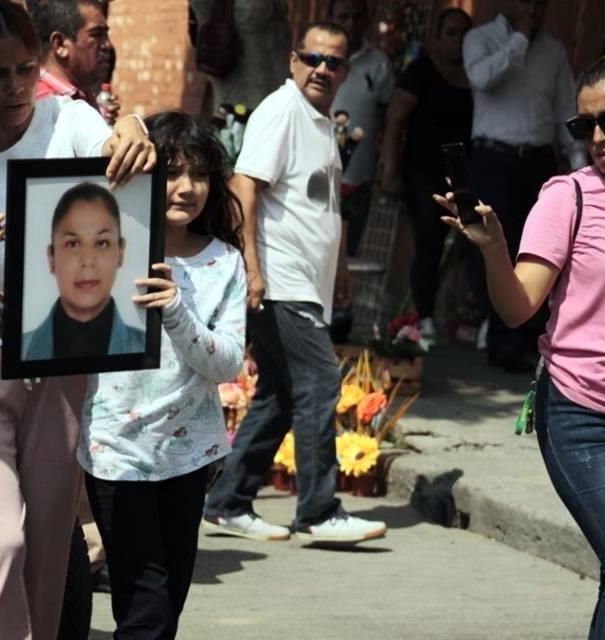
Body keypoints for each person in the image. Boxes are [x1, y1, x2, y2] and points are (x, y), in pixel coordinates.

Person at [0, 2, 155, 638]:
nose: (16, 87)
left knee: (49, 547)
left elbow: (113, 153)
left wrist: (131, 127)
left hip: (58, 364)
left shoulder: (67, 118)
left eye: (26, 69)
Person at [435, 51, 605, 640]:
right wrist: (495, 250)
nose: (597, 138)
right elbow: (519, 306)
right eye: (583, 125)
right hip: (584, 414)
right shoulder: (568, 196)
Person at [202, 21, 386, 544]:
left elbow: (324, 206)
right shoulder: (282, 111)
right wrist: (253, 269)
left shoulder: (319, 121)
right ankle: (319, 511)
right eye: (313, 58)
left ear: (345, 71)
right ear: (293, 60)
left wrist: (340, 268)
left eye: (334, 62)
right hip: (281, 280)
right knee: (320, 382)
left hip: (306, 280)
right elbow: (244, 188)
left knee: (280, 395)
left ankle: (228, 501)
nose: (322, 69)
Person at [76, 110, 246, 640]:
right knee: (144, 607)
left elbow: (228, 362)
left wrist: (175, 310)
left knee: (167, 604)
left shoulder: (225, 261)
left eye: (199, 174)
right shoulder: (106, 248)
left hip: (189, 456)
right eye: (171, 173)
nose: (187, 187)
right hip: (116, 450)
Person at [462, 0, 585, 372]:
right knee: (494, 243)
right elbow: (481, 78)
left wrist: (579, 162)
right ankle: (500, 337)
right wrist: (518, 39)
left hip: (537, 159)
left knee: (537, 246)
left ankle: (524, 338)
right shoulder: (480, 38)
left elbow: (565, 108)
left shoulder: (553, 50)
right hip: (493, 156)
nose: (532, 8)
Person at [380, 8, 473, 346]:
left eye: (465, 34)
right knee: (428, 242)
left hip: (462, 173)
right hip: (423, 171)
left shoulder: (477, 75)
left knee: (469, 244)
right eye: (451, 32)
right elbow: (395, 121)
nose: (458, 40)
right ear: (437, 36)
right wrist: (390, 170)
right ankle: (424, 315)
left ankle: (460, 316)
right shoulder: (420, 71)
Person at [23, 182, 144, 360]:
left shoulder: (148, 348)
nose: (88, 260)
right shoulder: (19, 350)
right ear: (51, 257)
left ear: (120, 252)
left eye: (102, 243)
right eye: (73, 244)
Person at [328, 0, 395, 256]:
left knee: (347, 255)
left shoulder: (379, 64)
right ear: (332, 18)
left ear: (366, 20)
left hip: (357, 179)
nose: (351, 24)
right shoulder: (315, 60)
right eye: (343, 16)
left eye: (357, 17)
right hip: (311, 176)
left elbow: (386, 119)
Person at [32, 0, 113, 109]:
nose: (107, 45)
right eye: (97, 35)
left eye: (105, 35)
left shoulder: (81, 94)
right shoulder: (46, 106)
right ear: (60, 44)